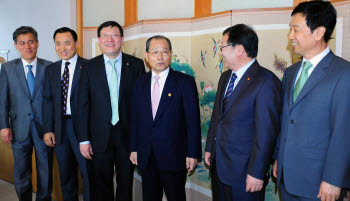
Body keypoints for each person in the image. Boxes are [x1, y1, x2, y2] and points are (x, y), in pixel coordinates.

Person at [272, 1, 350, 201]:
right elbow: (286, 120)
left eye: (296, 30)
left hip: (320, 184)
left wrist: (333, 179)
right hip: (286, 178)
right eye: (290, 29)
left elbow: (343, 132)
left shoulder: (343, 73)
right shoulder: (290, 73)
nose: (291, 36)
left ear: (318, 32)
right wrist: (278, 158)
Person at [204, 24, 282, 201]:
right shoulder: (225, 77)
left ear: (239, 49)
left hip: (245, 173)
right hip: (219, 166)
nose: (220, 52)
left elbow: (266, 134)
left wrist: (257, 172)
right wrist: (210, 147)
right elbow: (218, 117)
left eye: (222, 47)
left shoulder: (266, 82)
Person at [77, 21, 145, 201]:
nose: (110, 39)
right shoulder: (88, 67)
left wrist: (139, 140)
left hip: (127, 136)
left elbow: (141, 106)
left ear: (122, 39)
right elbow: (82, 105)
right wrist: (84, 139)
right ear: (99, 40)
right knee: (101, 184)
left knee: (126, 182)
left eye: (114, 35)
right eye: (105, 36)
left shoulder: (136, 65)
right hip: (99, 136)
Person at [129, 35, 202, 201]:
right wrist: (134, 147)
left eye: (164, 52)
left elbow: (192, 121)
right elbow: (135, 119)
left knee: (176, 196)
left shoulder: (185, 82)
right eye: (155, 52)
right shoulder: (139, 83)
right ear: (146, 56)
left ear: (171, 54)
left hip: (174, 155)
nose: (160, 57)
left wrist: (192, 153)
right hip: (146, 154)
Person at [0, 26, 53, 201]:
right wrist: (3, 126)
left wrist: (51, 127)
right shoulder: (7, 68)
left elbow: (53, 101)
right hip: (18, 128)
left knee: (45, 170)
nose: (27, 46)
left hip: (44, 129)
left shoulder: (50, 67)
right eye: (22, 43)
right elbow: (3, 100)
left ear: (37, 43)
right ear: (16, 45)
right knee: (21, 172)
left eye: (31, 42)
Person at [42, 27, 93, 201]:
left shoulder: (89, 67)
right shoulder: (51, 70)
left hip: (83, 129)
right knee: (65, 174)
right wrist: (48, 129)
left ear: (76, 43)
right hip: (59, 128)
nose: (62, 48)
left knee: (88, 175)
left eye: (67, 43)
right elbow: (47, 100)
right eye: (58, 44)